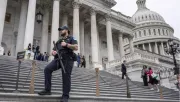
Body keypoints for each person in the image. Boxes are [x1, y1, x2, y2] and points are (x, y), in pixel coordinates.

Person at [38, 26, 78, 102]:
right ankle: (47, 90)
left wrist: (66, 45)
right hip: (58, 59)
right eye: (60, 30)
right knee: (47, 69)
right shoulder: (59, 41)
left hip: (68, 59)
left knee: (66, 76)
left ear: (66, 30)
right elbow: (53, 50)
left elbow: (76, 48)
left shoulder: (72, 38)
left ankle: (65, 96)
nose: (61, 31)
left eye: (62, 30)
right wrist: (53, 53)